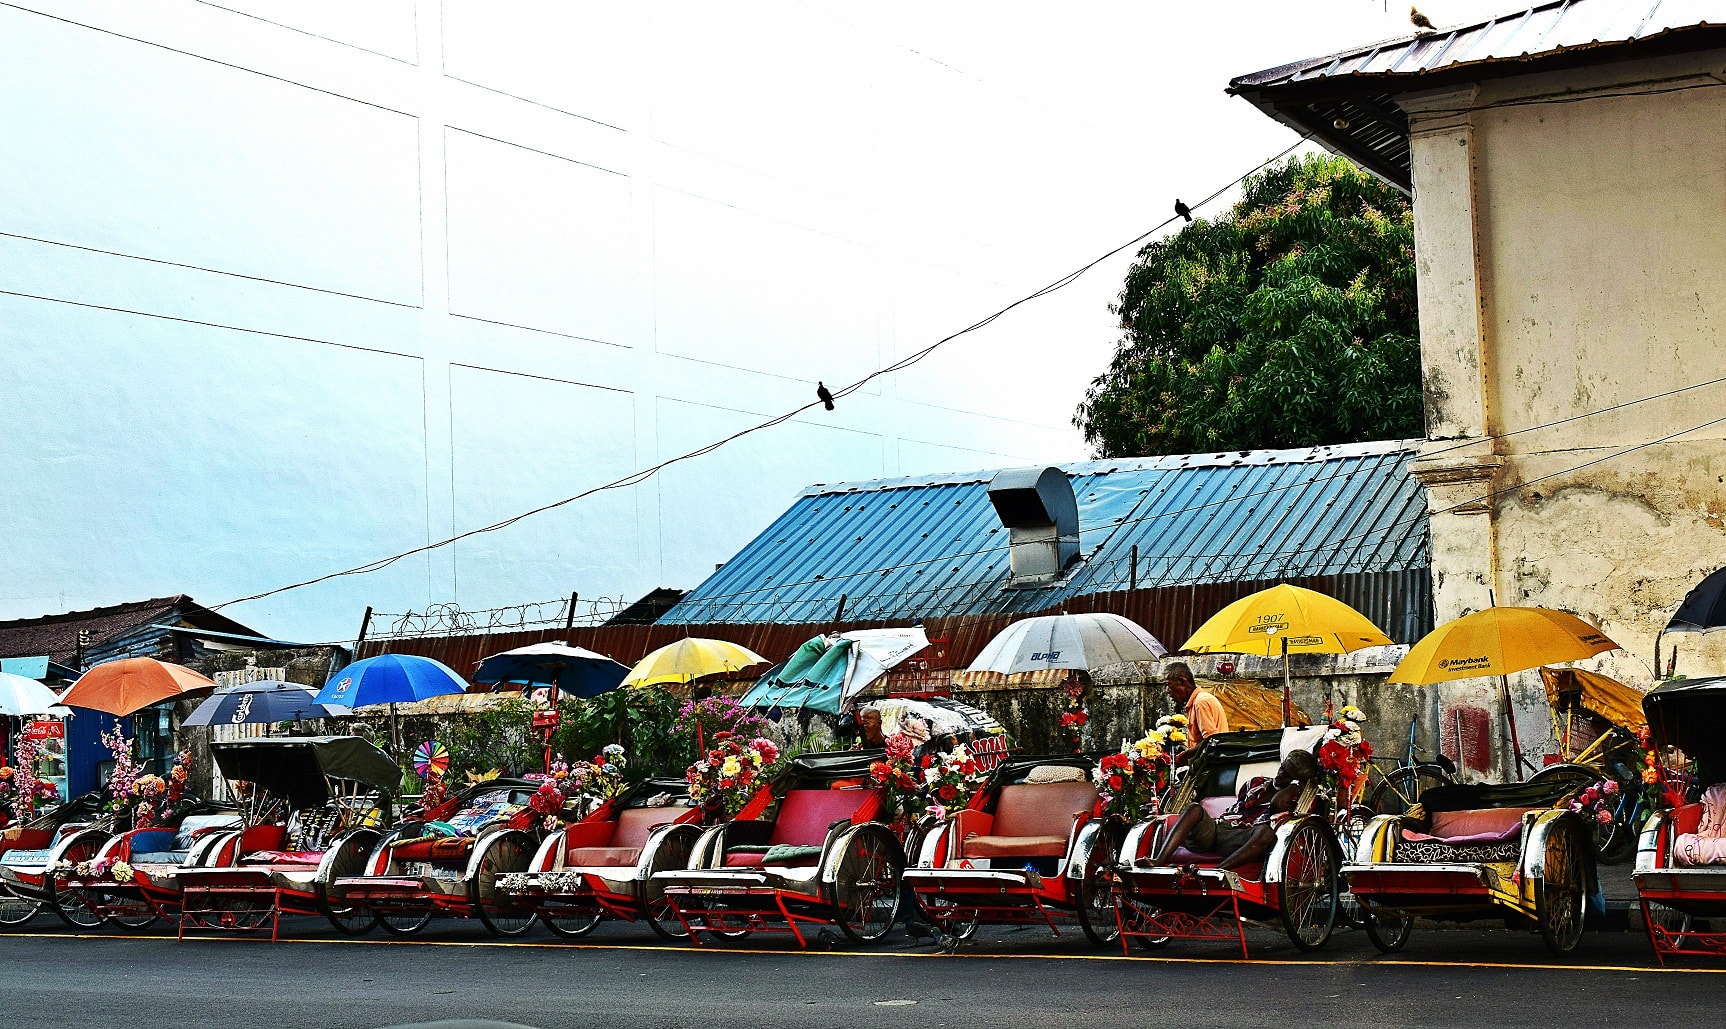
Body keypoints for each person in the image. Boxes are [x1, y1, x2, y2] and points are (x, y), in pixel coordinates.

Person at [1150, 749, 1322, 871]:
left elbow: (1277, 804)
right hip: (1218, 829)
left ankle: (1218, 872)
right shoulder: (1255, 783)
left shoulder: (1294, 800)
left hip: (1242, 840)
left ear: (1297, 782)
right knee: (1194, 808)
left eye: (1288, 775)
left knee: (1266, 833)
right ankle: (1159, 861)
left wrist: (1294, 785)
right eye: (1282, 768)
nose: (1280, 775)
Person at [1165, 662, 1228, 756]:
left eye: (1168, 685)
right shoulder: (1196, 701)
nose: (1167, 690)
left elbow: (1211, 740)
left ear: (1182, 682)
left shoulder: (1201, 702)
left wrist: (1184, 755)